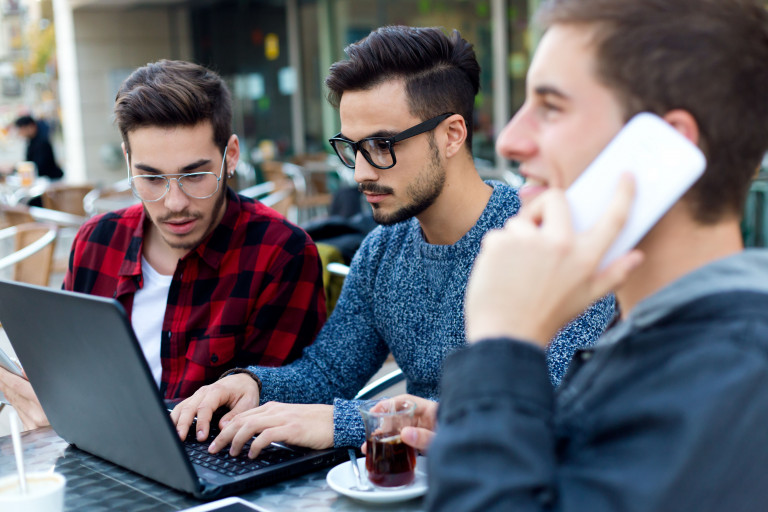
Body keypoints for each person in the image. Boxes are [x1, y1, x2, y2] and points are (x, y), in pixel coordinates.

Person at [170, 26, 614, 458]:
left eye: (382, 145)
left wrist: (346, 422)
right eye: (353, 148)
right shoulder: (383, 249)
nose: (361, 173)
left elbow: (545, 410)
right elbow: (330, 371)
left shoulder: (548, 243)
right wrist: (252, 384)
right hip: (412, 480)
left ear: (452, 134)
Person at [417, 0, 768, 510]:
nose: (510, 140)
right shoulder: (680, 342)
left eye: (551, 106)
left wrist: (500, 347)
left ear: (666, 148)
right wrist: (490, 428)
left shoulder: (734, 381)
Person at [0, 60, 327, 430]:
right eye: (151, 178)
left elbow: (273, 419)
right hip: (91, 450)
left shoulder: (281, 253)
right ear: (128, 162)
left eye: (195, 175)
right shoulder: (96, 241)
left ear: (231, 155)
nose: (174, 203)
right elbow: (67, 369)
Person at [14, 115, 63, 180]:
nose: (20, 133)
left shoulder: (42, 142)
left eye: (22, 129)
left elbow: (39, 166)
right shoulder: (31, 141)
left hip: (49, 179)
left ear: (30, 127)